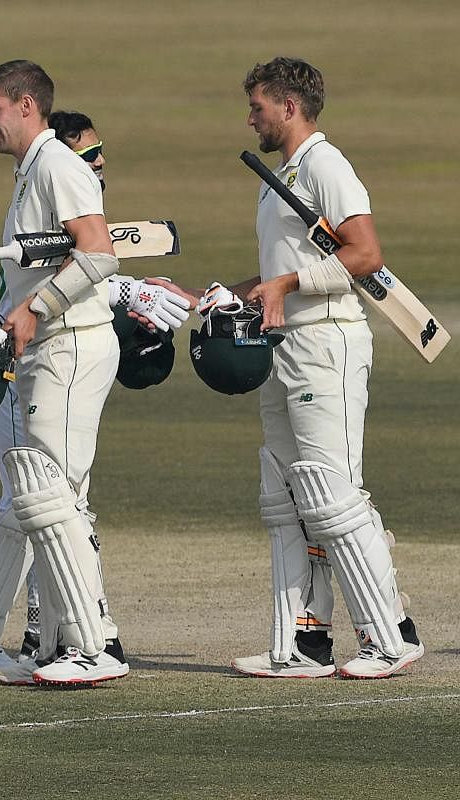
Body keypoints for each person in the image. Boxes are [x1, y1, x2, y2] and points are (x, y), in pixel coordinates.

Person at [214, 57, 423, 679]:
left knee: (332, 496)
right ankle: (303, 643)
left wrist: (283, 283)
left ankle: (393, 635)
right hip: (285, 344)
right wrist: (238, 290)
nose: (250, 116)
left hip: (327, 344)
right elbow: (290, 267)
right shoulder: (283, 173)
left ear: (288, 107)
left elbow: (364, 254)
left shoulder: (327, 165)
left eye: (257, 106)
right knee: (288, 497)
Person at [0, 60, 128, 687]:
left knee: (54, 500)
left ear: (26, 105)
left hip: (72, 347)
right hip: (46, 348)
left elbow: (99, 252)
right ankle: (1, 636)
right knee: (38, 497)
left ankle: (92, 647)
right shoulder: (32, 168)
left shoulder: (58, 165)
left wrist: (37, 307)